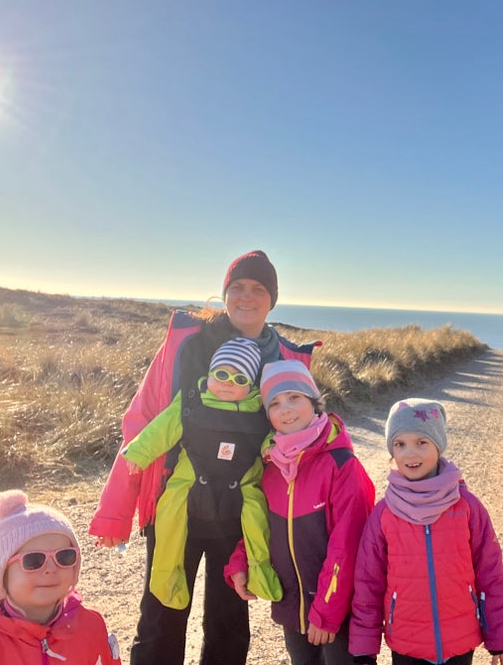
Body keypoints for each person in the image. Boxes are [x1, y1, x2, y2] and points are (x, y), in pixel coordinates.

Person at [89, 250, 318, 665]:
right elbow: (143, 425)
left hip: (243, 511)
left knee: (230, 621)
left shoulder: (285, 359)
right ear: (225, 293)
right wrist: (115, 511)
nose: (247, 297)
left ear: (273, 298)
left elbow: (302, 442)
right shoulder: (188, 345)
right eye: (238, 288)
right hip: (175, 502)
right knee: (161, 614)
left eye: (259, 289)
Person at [225, 360, 375, 665]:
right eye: (275, 403)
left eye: (295, 397)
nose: (285, 409)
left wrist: (327, 612)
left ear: (314, 402)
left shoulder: (342, 465)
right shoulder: (272, 467)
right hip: (293, 607)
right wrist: (241, 562)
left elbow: (347, 548)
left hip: (340, 612)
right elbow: (261, 527)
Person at [349, 398, 503, 665]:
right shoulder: (385, 513)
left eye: (421, 442)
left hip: (460, 641)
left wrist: (499, 638)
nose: (410, 454)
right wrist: (364, 649)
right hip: (406, 644)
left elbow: (490, 574)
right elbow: (368, 584)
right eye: (399, 444)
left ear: (438, 445)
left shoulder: (466, 507)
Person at [120, 336, 282, 610]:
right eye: (221, 374)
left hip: (243, 485)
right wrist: (140, 452)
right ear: (208, 375)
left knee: (257, 521)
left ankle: (260, 573)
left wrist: (272, 448)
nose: (228, 383)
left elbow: (274, 435)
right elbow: (164, 427)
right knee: (170, 521)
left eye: (240, 379)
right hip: (189, 481)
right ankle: (167, 581)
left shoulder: (259, 409)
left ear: (251, 385)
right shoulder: (192, 402)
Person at [0, 489, 121, 665]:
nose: (50, 568)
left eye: (64, 556)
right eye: (33, 560)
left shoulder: (90, 626)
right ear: (3, 573)